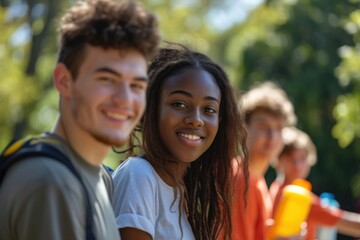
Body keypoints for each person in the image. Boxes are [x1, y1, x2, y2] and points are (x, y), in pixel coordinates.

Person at [0, 0, 160, 239]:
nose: (125, 99)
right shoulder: (52, 181)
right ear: (64, 81)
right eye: (107, 79)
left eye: (136, 85)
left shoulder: (101, 177)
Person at [112, 44, 249, 240]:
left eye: (209, 109)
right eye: (179, 104)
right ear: (150, 108)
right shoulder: (139, 175)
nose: (196, 119)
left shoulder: (182, 192)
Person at [229, 81, 299, 240]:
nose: (273, 136)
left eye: (279, 128)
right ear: (243, 128)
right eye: (263, 127)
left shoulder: (258, 182)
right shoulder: (238, 179)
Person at [270, 126, 360, 240]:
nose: (297, 165)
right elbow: (348, 223)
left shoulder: (274, 188)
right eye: (290, 158)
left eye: (302, 158)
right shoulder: (296, 197)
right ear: (278, 160)